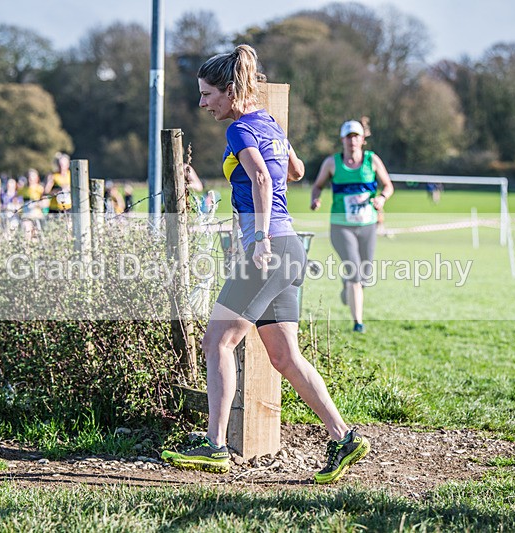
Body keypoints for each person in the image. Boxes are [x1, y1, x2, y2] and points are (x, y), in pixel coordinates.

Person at [161, 44, 370, 484]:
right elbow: (294, 170)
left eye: (207, 95)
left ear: (230, 91)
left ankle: (215, 447)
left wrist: (257, 239)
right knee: (286, 357)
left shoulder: (239, 129)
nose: (202, 104)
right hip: (291, 246)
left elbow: (260, 176)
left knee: (216, 341)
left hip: (269, 247)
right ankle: (343, 436)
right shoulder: (269, 123)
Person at [310, 120, 394, 333]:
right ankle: (358, 322)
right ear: (342, 140)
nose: (352, 140)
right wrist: (316, 199)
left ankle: (348, 288)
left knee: (364, 273)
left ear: (363, 139)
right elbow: (317, 185)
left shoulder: (371, 160)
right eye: (348, 136)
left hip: (368, 225)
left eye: (356, 136)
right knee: (355, 270)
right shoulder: (332, 163)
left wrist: (382, 199)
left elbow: (388, 185)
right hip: (341, 227)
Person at [45, 152, 72, 217]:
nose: (62, 167)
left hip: (68, 208)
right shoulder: (53, 176)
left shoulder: (71, 175)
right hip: (55, 208)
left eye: (63, 164)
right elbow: (46, 192)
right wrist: (58, 190)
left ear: (68, 164)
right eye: (60, 164)